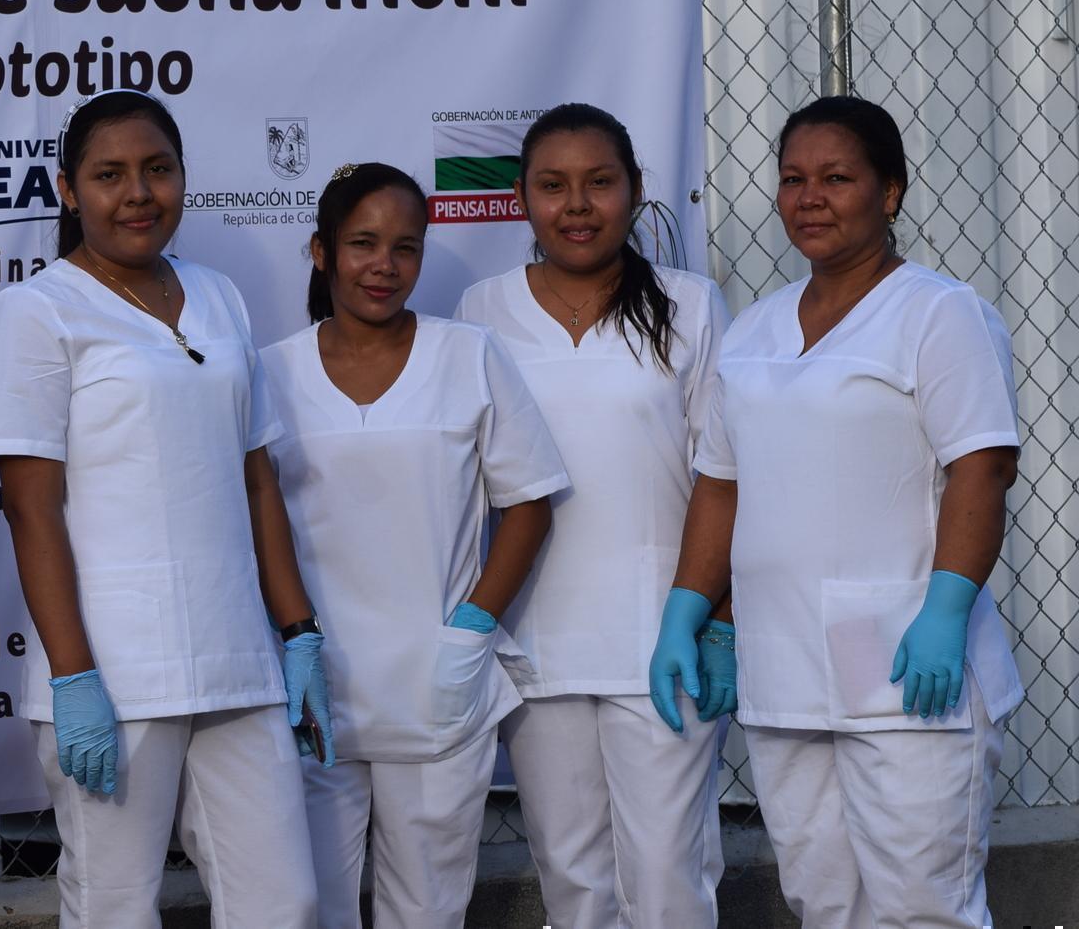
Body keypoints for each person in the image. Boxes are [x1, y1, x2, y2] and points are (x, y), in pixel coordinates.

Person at [657, 95, 1023, 928]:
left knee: (922, 905)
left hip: (904, 660)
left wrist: (946, 610)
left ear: (889, 191)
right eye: (793, 178)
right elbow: (721, 484)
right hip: (783, 665)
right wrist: (691, 613)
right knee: (823, 900)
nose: (809, 197)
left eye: (837, 177)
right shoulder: (752, 330)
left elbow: (982, 466)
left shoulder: (938, 313)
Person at [0, 89, 325, 929]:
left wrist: (298, 630)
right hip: (115, 673)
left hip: (237, 663)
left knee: (283, 901)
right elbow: (32, 508)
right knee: (115, 908)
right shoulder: (37, 311)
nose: (138, 192)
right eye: (109, 174)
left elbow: (255, 479)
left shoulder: (219, 296)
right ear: (67, 190)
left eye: (157, 169)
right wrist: (74, 675)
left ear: (182, 178)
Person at [262, 161, 569, 929]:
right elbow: (256, 518)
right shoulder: (270, 371)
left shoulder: (467, 354)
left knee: (428, 909)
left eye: (406, 246)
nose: (385, 265)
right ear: (321, 250)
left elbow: (529, 504)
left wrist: (471, 630)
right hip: (314, 689)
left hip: (437, 682)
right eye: (363, 243)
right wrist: (294, 639)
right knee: (310, 904)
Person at [456, 104, 732, 927]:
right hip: (535, 642)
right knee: (573, 881)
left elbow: (723, 478)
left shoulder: (692, 305)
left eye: (599, 182)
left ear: (637, 191)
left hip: (662, 641)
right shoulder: (482, 310)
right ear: (521, 199)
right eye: (553, 186)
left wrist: (712, 619)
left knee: (669, 877)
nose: (576, 205)